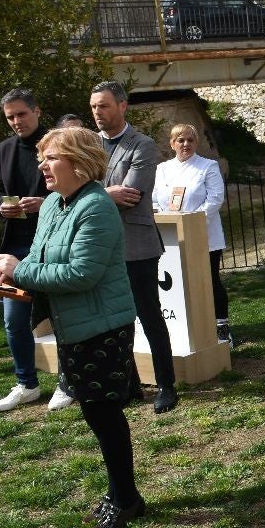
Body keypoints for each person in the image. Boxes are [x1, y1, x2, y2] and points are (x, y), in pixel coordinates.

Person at [0, 127, 146, 528]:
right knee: (97, 414)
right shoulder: (56, 203)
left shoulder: (96, 206)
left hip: (102, 327)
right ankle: (121, 493)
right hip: (74, 325)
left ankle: (126, 499)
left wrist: (19, 269)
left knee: (104, 415)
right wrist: (11, 271)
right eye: (42, 157)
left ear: (78, 162)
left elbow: (81, 273)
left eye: (51, 157)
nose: (42, 165)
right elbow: (39, 259)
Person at [90, 81, 178, 413]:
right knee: (114, 320)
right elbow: (75, 188)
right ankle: (129, 385)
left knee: (149, 316)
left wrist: (96, 193)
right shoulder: (88, 145)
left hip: (137, 246)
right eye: (94, 107)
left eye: (104, 105)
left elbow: (131, 195)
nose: (98, 112)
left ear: (122, 106)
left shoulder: (141, 144)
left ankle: (166, 385)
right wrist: (105, 193)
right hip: (101, 246)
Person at [0, 89, 63, 412]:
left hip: (52, 244)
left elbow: (76, 190)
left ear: (37, 111)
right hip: (16, 244)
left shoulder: (56, 144)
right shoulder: (4, 149)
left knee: (62, 317)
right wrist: (1, 206)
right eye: (10, 117)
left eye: (21, 114)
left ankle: (68, 382)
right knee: (14, 321)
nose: (16, 121)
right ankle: (27, 383)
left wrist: (45, 203)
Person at [153, 123, 232, 346]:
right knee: (180, 282)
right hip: (171, 237)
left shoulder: (208, 166)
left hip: (204, 235)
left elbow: (215, 199)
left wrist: (191, 221)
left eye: (190, 140)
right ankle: (189, 326)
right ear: (172, 144)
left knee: (210, 280)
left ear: (196, 143)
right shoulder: (163, 169)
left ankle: (221, 326)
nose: (185, 144)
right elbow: (156, 198)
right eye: (180, 140)